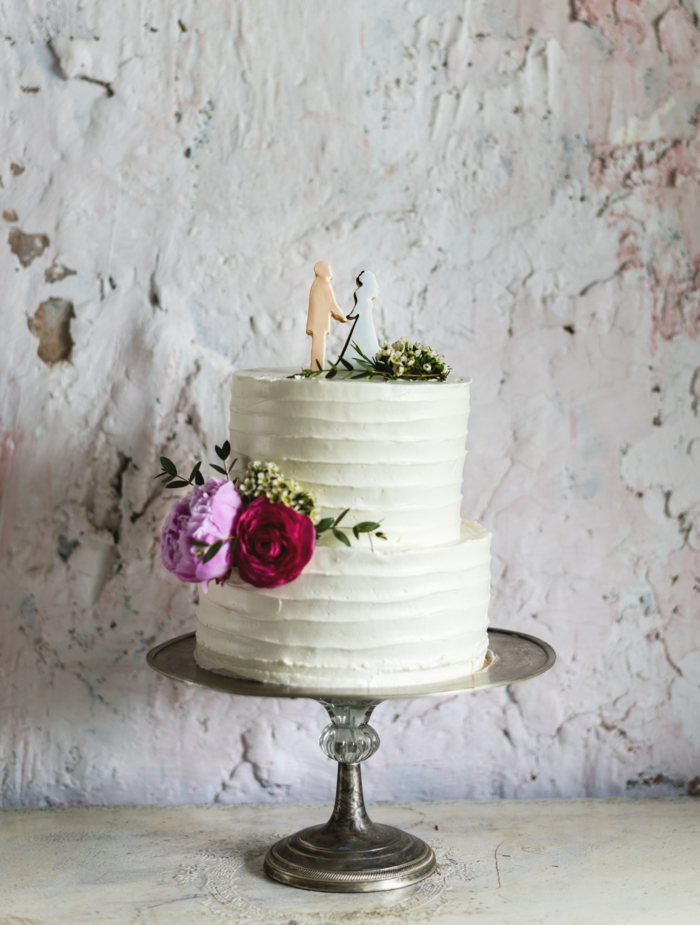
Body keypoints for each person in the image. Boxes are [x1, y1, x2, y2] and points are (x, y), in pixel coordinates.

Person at [307, 261, 347, 371]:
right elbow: (331, 304)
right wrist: (341, 315)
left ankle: (316, 369)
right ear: (322, 271)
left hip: (317, 322)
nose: (331, 271)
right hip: (319, 323)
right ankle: (316, 369)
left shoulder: (317, 283)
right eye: (328, 269)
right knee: (318, 344)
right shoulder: (323, 284)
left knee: (318, 343)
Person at [337, 270, 380, 369]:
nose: (359, 276)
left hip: (363, 318)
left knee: (362, 336)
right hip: (366, 318)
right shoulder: (365, 291)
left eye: (361, 275)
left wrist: (351, 314)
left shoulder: (360, 291)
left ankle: (357, 361)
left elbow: (359, 306)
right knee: (367, 336)